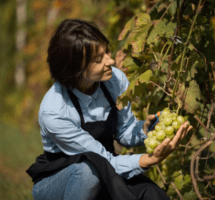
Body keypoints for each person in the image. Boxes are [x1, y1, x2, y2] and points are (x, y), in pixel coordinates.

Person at [26, 19, 192, 200]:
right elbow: (102, 161)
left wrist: (146, 130)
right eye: (98, 59)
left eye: (107, 51)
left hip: (105, 170)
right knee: (88, 172)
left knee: (152, 195)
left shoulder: (114, 80)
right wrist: (147, 160)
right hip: (59, 181)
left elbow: (124, 132)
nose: (110, 60)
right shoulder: (55, 111)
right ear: (75, 69)